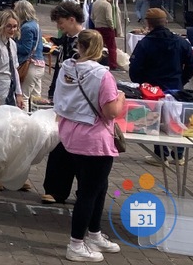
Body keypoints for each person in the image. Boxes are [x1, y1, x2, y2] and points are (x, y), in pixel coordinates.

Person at [53, 30, 124, 262]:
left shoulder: (66, 67)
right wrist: (121, 98)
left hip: (70, 135)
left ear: (79, 46)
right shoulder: (102, 75)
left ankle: (93, 234)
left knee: (98, 187)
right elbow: (110, 111)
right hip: (94, 139)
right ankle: (75, 244)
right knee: (89, 193)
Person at [129, 7, 193, 166]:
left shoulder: (145, 43)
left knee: (155, 120)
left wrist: (142, 84)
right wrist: (182, 79)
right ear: (165, 21)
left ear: (148, 23)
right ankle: (178, 155)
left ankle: (161, 155)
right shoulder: (180, 41)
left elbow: (135, 68)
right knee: (175, 121)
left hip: (153, 89)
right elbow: (192, 65)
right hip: (175, 87)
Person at [41, 0, 88, 204]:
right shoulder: (67, 40)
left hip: (80, 105)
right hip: (62, 102)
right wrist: (53, 93)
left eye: (61, 23)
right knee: (59, 145)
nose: (59, 28)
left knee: (79, 151)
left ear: (72, 19)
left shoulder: (88, 40)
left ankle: (82, 191)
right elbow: (59, 69)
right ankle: (55, 189)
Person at [15, 0, 47, 107]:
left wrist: (12, 43)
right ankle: (35, 119)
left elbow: (25, 49)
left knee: (23, 96)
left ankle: (23, 121)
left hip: (30, 65)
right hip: (40, 64)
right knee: (36, 98)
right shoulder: (35, 25)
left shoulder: (26, 27)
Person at [90, 0, 119, 71]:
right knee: (111, 47)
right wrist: (112, 27)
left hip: (97, 27)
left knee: (98, 46)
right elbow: (109, 18)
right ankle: (113, 65)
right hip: (106, 28)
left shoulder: (95, 3)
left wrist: (96, 23)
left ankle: (97, 62)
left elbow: (91, 16)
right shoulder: (107, 4)